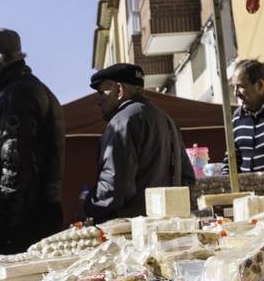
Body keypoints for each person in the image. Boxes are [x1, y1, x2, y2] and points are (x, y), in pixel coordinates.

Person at [0, 29, 66, 256]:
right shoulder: (36, 90)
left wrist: (3, 230)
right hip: (40, 212)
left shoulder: (15, 96)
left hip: (22, 222)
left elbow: (14, 169)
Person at [82, 63, 197, 220]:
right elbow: (187, 178)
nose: (99, 100)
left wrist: (88, 203)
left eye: (102, 92)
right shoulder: (166, 119)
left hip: (131, 229)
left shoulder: (122, 122)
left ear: (120, 90)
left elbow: (113, 188)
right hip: (167, 225)